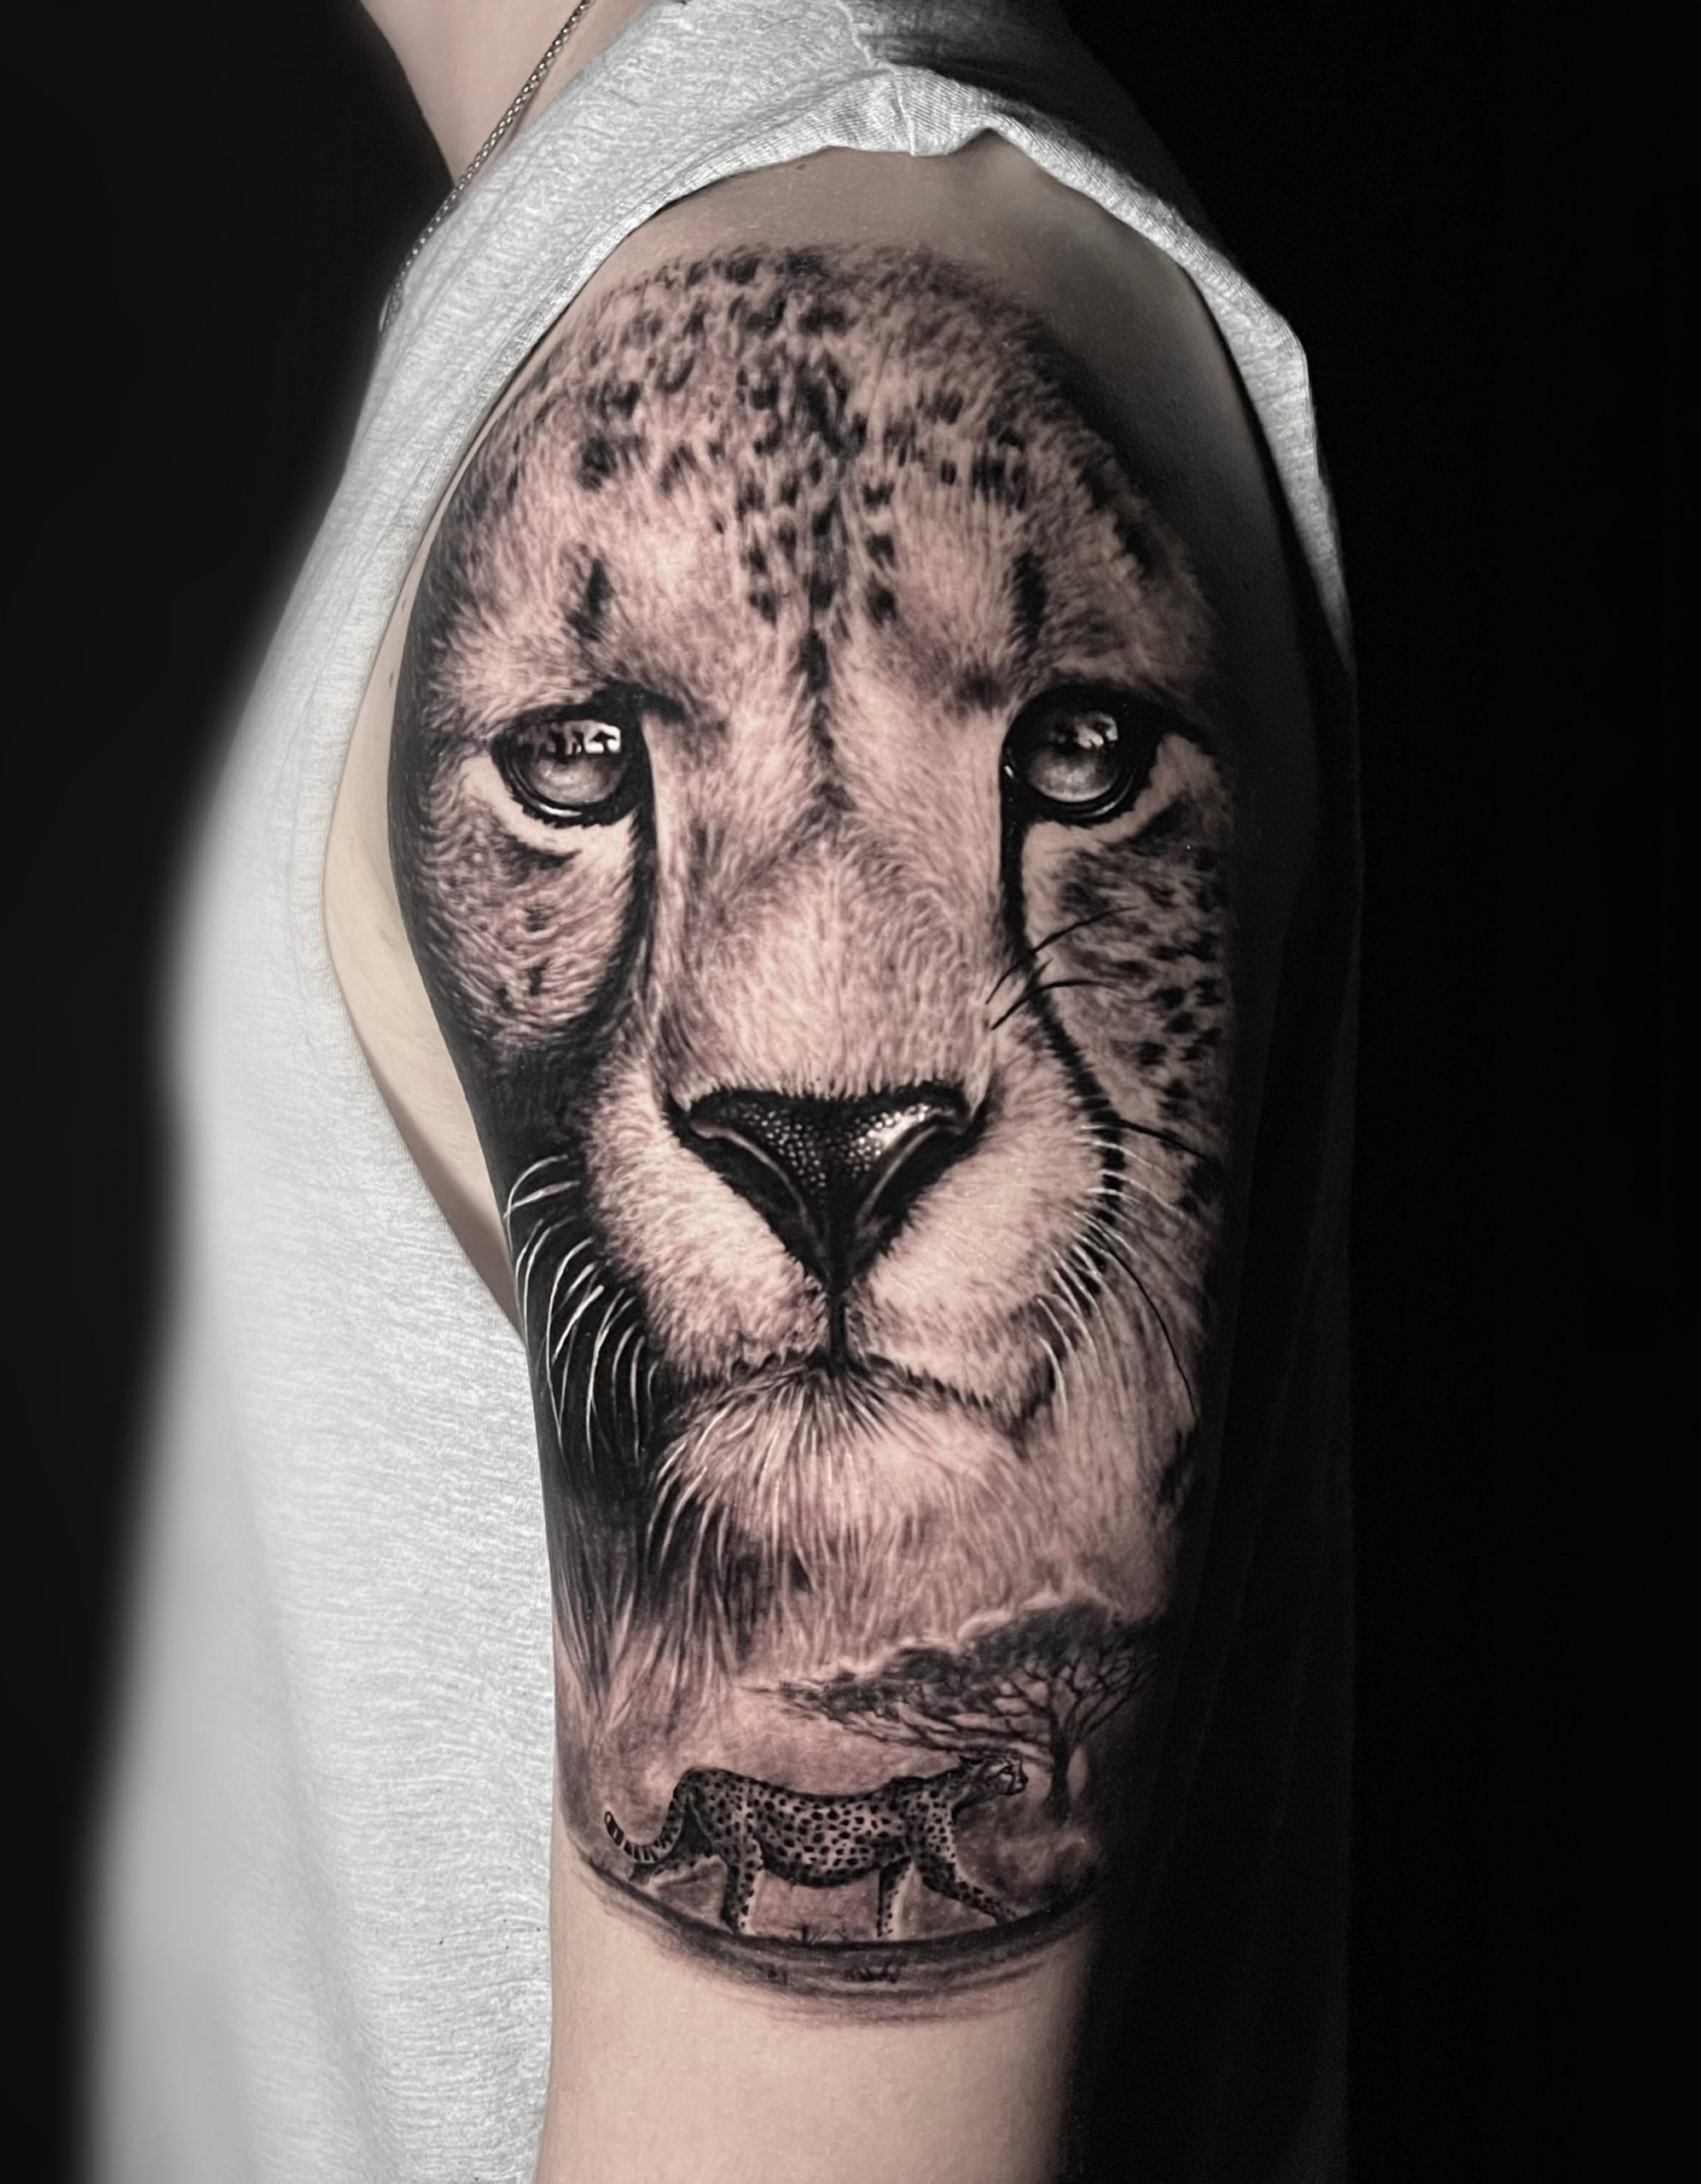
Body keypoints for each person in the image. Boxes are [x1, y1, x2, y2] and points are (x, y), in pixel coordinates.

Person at [96, 3, 1356, 2178]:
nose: (824, 1058)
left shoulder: (802, 270)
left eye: (1068, 756)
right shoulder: (640, 209)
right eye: (580, 756)